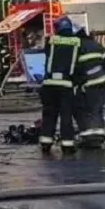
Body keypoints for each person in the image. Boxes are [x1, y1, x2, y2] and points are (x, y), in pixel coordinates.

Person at [39, 15, 80, 154]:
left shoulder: (51, 41)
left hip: (49, 84)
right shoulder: (76, 42)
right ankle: (67, 145)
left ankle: (46, 143)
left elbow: (48, 54)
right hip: (66, 85)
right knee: (66, 116)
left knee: (49, 114)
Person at [73, 27, 105, 148]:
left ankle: (88, 136)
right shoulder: (96, 44)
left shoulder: (78, 47)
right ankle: (99, 135)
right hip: (100, 81)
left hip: (87, 83)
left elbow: (77, 68)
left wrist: (77, 83)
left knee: (83, 109)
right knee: (97, 109)